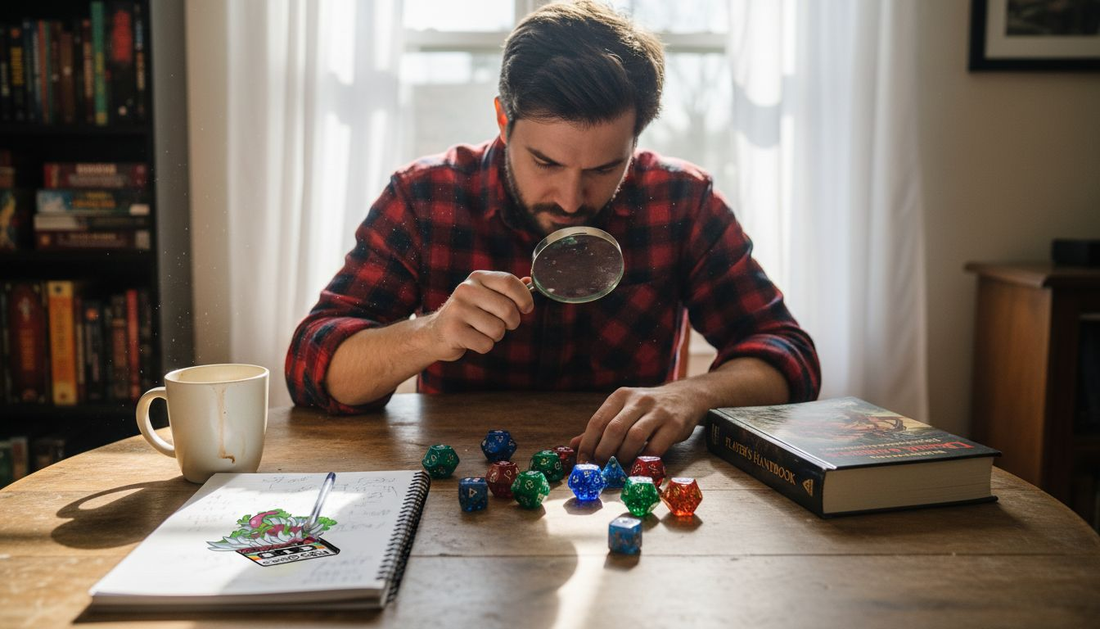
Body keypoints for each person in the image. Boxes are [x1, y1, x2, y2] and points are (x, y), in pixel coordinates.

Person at [286, 0, 820, 465]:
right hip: (459, 488)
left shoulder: (682, 201)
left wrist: (691, 396)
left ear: (636, 140)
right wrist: (430, 334)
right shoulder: (426, 198)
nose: (570, 199)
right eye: (545, 162)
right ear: (502, 120)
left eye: (603, 169)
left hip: (623, 491)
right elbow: (312, 365)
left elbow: (787, 355)